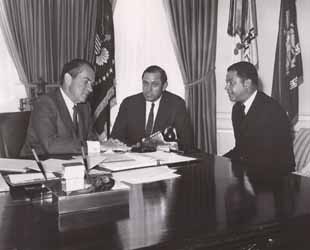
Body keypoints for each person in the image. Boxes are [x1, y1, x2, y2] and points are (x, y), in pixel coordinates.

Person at [224, 61, 295, 173]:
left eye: (231, 83)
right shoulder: (237, 110)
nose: (226, 87)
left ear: (247, 83)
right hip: (252, 174)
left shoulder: (272, 110)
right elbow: (241, 149)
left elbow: (272, 158)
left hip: (277, 177)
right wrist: (216, 161)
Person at [20, 58, 97, 156]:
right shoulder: (45, 103)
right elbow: (51, 145)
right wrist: (94, 147)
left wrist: (106, 147)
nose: (90, 89)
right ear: (68, 79)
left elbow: (91, 139)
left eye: (92, 84)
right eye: (86, 82)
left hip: (71, 164)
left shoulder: (85, 107)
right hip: (38, 165)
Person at [111, 65, 193, 151]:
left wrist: (169, 146)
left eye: (155, 84)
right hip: (133, 158)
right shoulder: (128, 103)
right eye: (145, 83)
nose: (148, 89)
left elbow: (186, 142)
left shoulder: (176, 104)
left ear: (164, 86)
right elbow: (115, 138)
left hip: (163, 160)